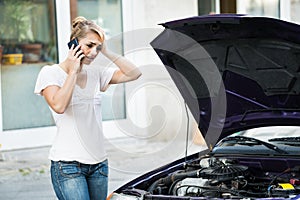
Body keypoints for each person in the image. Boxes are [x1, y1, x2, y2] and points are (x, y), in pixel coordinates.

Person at [34, 16, 142, 200]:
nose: (93, 53)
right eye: (89, 45)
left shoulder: (96, 73)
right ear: (73, 44)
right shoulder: (50, 73)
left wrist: (107, 51)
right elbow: (59, 106)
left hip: (99, 164)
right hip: (68, 166)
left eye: (97, 48)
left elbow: (134, 73)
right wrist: (73, 71)